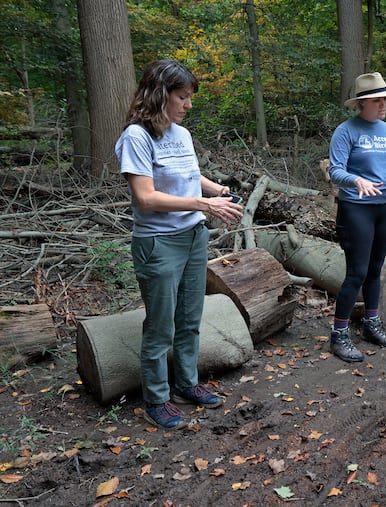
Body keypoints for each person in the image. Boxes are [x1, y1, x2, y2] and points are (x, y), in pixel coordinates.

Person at [115, 59, 244, 429]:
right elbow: (146, 197)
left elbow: (188, 173)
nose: (189, 105)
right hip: (158, 243)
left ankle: (187, 383)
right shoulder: (136, 138)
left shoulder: (181, 133)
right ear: (159, 95)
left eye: (190, 97)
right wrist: (205, 204)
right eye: (182, 97)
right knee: (161, 325)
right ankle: (157, 398)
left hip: (193, 237)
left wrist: (214, 189)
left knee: (190, 319)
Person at [328, 72, 386, 362]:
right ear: (361, 104)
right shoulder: (346, 131)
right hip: (356, 208)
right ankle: (339, 334)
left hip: (385, 206)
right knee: (357, 271)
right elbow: (335, 170)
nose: (383, 105)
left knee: (376, 269)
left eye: (385, 100)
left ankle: (371, 324)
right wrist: (356, 181)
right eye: (377, 100)